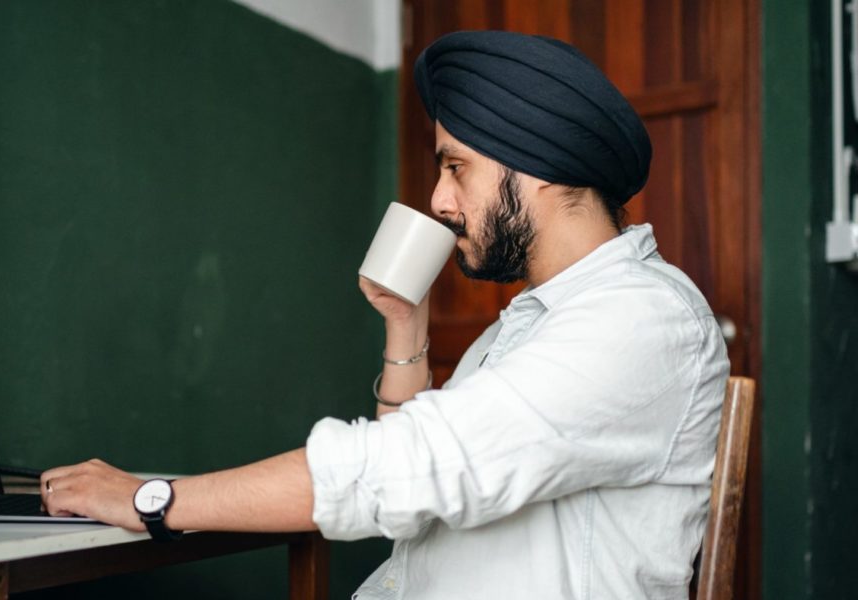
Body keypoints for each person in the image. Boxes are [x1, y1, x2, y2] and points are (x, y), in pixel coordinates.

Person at [39, 30, 729, 599]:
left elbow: (406, 468)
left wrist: (150, 500)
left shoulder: (640, 320)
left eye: (456, 167)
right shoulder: (530, 323)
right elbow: (416, 485)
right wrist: (407, 326)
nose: (438, 197)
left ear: (541, 165)